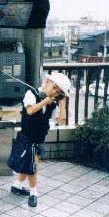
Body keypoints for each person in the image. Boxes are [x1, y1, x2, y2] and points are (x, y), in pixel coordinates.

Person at [10, 72, 71, 207]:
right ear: (48, 81)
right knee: (33, 167)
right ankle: (33, 194)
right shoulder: (31, 94)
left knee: (29, 164)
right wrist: (44, 101)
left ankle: (16, 186)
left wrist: (62, 104)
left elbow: (61, 121)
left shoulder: (52, 103)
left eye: (58, 91)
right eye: (54, 87)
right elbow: (30, 111)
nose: (54, 92)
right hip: (27, 137)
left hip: (39, 138)